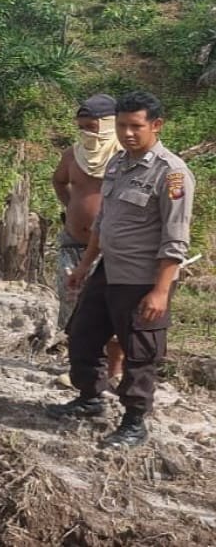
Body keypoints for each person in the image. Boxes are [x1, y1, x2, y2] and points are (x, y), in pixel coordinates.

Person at [48, 91, 195, 448]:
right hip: (107, 269)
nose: (127, 133)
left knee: (139, 352)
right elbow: (103, 223)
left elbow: (176, 239)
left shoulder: (172, 173)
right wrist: (85, 266)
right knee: (82, 334)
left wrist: (160, 291)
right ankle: (90, 398)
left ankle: (133, 422)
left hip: (142, 278)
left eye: (135, 126)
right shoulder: (117, 164)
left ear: (156, 126)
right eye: (121, 126)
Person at [52, 94, 124, 386]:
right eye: (81, 127)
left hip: (111, 248)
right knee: (75, 307)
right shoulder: (73, 155)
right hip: (73, 244)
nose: (86, 133)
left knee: (112, 307)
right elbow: (59, 180)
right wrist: (72, 206)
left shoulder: (125, 157)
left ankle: (115, 371)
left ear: (108, 124)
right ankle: (81, 368)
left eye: (92, 127)